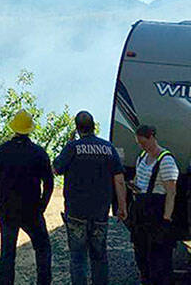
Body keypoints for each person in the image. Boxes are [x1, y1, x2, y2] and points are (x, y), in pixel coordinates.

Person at [53, 110, 127, 285]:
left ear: (77, 129)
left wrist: (68, 145)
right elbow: (119, 180)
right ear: (94, 126)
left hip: (76, 212)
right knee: (99, 257)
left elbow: (55, 169)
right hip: (100, 212)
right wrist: (121, 207)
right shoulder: (108, 148)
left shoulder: (72, 147)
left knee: (78, 258)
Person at [0, 109, 54, 285]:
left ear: (14, 128)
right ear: (30, 129)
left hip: (7, 210)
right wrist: (42, 207)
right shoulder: (39, 153)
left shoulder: (2, 151)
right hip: (32, 210)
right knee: (43, 249)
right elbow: (49, 183)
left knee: (7, 254)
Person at [130, 124, 179, 285]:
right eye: (139, 143)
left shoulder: (166, 161)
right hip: (141, 212)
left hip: (157, 214)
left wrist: (166, 220)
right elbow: (139, 180)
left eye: (143, 142)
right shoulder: (142, 157)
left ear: (152, 137)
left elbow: (171, 193)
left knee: (159, 262)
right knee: (141, 257)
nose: (141, 146)